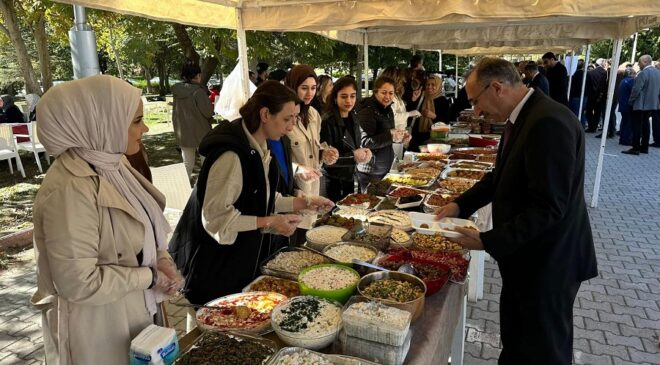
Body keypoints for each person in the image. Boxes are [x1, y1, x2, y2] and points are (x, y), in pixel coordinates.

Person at [436, 58, 596, 364]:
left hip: (549, 262)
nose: (477, 111)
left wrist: (486, 240)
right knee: (519, 340)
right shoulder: (525, 116)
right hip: (529, 258)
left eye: (475, 101)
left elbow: (549, 208)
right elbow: (501, 175)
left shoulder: (547, 121)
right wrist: (460, 204)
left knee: (543, 350)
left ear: (496, 87)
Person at [31, 75, 183, 364]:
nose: (146, 129)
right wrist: (149, 276)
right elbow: (78, 283)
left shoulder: (112, 164)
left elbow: (144, 228)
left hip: (138, 315)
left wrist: (161, 260)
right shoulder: (69, 189)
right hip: (101, 332)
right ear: (101, 121)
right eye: (137, 120)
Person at [168, 81, 333, 305]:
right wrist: (269, 223)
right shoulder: (231, 155)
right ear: (265, 114)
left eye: (295, 117)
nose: (292, 125)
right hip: (214, 266)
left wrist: (303, 202)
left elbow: (260, 196)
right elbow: (216, 218)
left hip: (239, 261)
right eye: (287, 118)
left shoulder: (260, 144)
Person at [283, 65, 338, 243]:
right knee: (293, 240)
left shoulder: (314, 114)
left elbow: (316, 147)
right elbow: (274, 158)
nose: (309, 94)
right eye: (304, 88)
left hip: (313, 186)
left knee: (308, 238)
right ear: (292, 87)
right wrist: (298, 168)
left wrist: (325, 153)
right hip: (292, 190)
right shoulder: (284, 116)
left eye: (313, 88)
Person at [320, 77, 372, 202]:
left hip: (351, 177)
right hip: (334, 181)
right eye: (343, 96)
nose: (349, 100)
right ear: (335, 97)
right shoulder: (327, 121)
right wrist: (353, 156)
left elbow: (355, 146)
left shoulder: (353, 116)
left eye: (352, 96)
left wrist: (365, 152)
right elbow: (327, 160)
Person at [355, 76, 404, 190]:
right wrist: (390, 136)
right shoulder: (367, 110)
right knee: (369, 204)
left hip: (383, 167)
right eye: (384, 92)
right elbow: (365, 142)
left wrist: (401, 137)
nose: (387, 96)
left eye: (391, 93)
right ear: (375, 92)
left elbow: (388, 134)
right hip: (370, 170)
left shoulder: (388, 109)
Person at [172, 61, 215, 178]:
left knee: (187, 163)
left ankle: (184, 189)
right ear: (198, 75)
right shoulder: (198, 92)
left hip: (184, 132)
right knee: (206, 162)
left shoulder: (177, 91)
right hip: (201, 132)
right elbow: (208, 112)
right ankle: (205, 189)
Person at [623, 55, 660, 155]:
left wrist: (631, 101)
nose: (638, 65)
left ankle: (635, 148)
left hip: (640, 104)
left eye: (639, 63)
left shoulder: (643, 73)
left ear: (645, 62)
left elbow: (636, 89)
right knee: (646, 125)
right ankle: (644, 147)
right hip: (652, 104)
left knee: (637, 126)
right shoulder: (658, 73)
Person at [409, 74, 450, 152]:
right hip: (417, 138)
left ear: (438, 86)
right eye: (428, 84)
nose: (429, 87)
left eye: (433, 85)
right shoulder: (421, 96)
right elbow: (410, 113)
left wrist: (433, 116)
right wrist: (413, 100)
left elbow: (446, 122)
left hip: (435, 139)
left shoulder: (443, 101)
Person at [586, 58, 608, 132]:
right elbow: (604, 85)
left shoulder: (590, 73)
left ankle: (591, 126)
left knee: (589, 111)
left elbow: (588, 85)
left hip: (591, 95)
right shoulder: (605, 73)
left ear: (596, 64)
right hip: (600, 96)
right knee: (597, 112)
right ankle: (594, 127)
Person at [568, 59, 590, 127]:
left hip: (576, 97)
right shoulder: (587, 74)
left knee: (576, 113)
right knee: (581, 112)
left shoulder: (576, 74)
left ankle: (578, 127)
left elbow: (572, 86)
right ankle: (582, 127)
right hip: (584, 96)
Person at [618, 67, 636, 146]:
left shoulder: (623, 81)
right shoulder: (631, 81)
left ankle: (622, 139)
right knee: (628, 123)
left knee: (624, 122)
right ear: (632, 74)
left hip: (622, 105)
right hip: (628, 105)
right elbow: (634, 92)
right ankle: (627, 140)